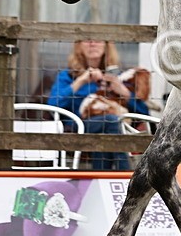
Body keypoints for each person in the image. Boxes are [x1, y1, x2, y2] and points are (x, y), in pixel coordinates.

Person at [47, 39, 146, 171]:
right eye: (87, 40)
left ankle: (100, 176)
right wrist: (81, 81)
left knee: (108, 127)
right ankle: (125, 173)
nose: (93, 44)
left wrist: (125, 93)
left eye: (98, 41)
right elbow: (53, 104)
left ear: (106, 46)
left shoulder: (117, 76)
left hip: (112, 128)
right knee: (110, 120)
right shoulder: (68, 75)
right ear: (79, 47)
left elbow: (145, 115)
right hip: (78, 127)